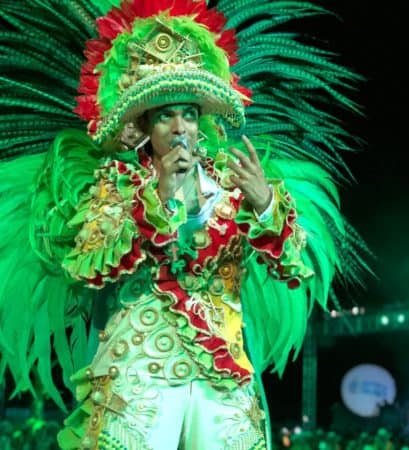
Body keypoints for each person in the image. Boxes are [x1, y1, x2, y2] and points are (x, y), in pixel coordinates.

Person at [0, 0, 369, 449]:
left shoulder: (237, 188)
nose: (179, 127)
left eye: (189, 113)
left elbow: (291, 267)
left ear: (202, 123)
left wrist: (266, 203)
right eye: (165, 114)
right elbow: (87, 266)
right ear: (145, 127)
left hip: (223, 375)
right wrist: (161, 196)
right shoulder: (116, 187)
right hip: (138, 368)